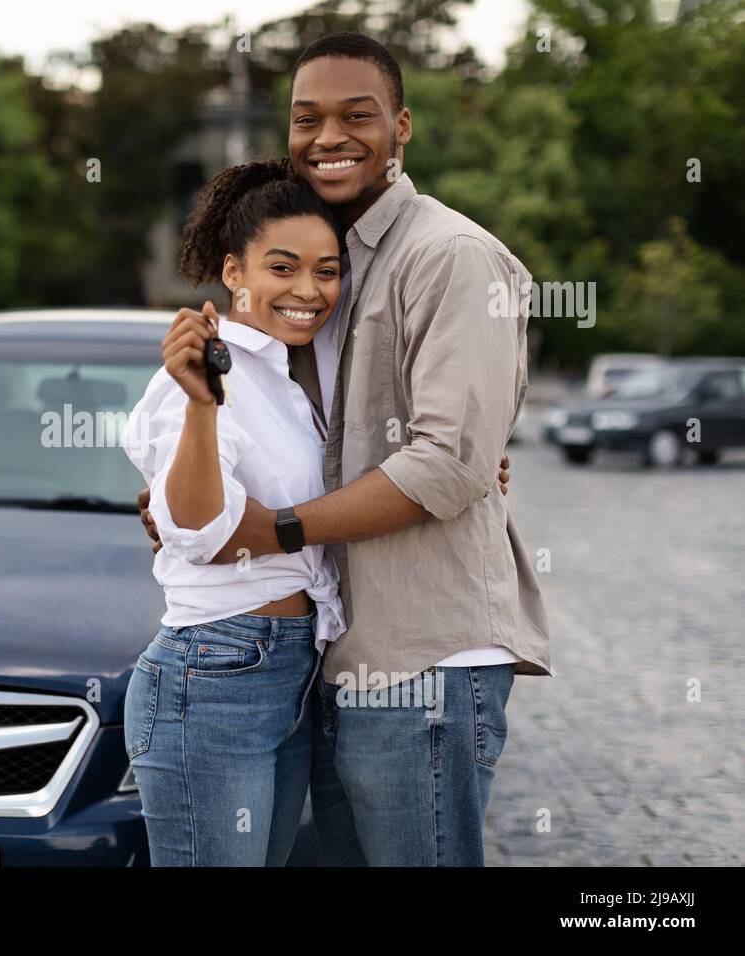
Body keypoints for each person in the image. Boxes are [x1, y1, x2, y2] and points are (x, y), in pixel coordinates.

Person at [137, 32, 553, 866]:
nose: (329, 136)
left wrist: (277, 528)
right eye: (307, 117)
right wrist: (183, 487)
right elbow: (331, 440)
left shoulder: (452, 256)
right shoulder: (340, 264)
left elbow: (447, 462)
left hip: (426, 656)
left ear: (401, 126)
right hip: (337, 660)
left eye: (356, 115)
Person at [121, 159, 346, 866]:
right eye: (282, 268)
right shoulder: (204, 373)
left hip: (291, 672)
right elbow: (192, 529)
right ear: (234, 272)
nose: (308, 290)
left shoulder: (292, 380)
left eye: (327, 270)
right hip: (214, 675)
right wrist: (200, 404)